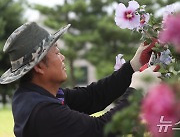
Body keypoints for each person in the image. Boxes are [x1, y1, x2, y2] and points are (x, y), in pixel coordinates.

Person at [0, 22, 161, 137]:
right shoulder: (43, 112)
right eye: (56, 53)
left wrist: (133, 65)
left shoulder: (34, 96)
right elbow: (99, 130)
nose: (62, 57)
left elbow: (92, 97)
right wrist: (137, 91)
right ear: (39, 67)